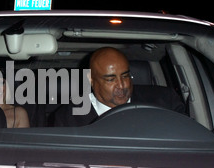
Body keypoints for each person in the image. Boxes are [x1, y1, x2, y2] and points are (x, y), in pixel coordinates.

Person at [53, 47, 185, 127]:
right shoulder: (68, 117)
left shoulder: (165, 101)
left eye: (125, 76)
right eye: (111, 79)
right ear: (91, 80)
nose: (122, 85)